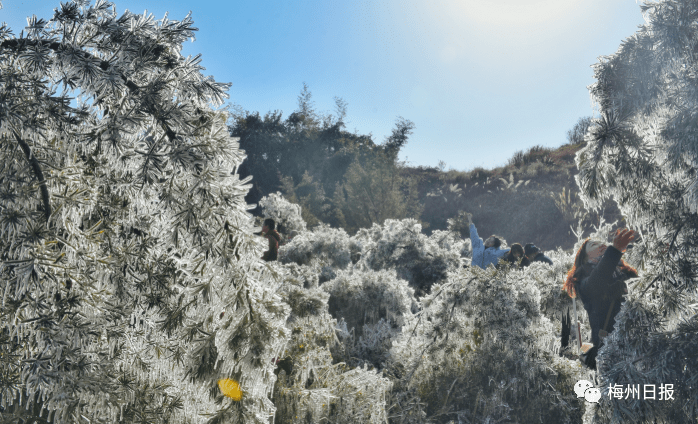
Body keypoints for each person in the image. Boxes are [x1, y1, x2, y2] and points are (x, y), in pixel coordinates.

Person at [563, 228, 638, 368]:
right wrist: (614, 251)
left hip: (635, 335)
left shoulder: (622, 270)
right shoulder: (582, 277)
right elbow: (595, 284)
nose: (600, 244)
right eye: (593, 245)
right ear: (585, 257)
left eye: (600, 242)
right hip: (609, 340)